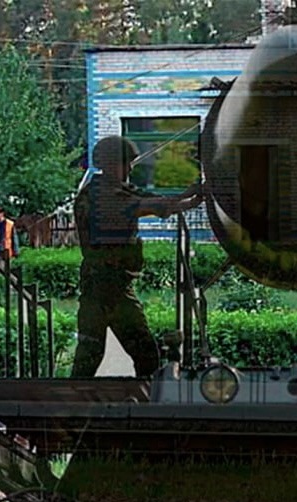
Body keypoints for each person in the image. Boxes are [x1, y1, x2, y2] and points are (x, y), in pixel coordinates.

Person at [71, 136, 202, 378]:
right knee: (138, 354)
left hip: (110, 286)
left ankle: (81, 397)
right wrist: (189, 197)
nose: (130, 169)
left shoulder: (117, 191)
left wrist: (191, 198)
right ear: (110, 163)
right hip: (106, 288)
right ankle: (140, 398)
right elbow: (145, 205)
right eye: (126, 163)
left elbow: (152, 201)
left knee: (94, 356)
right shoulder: (100, 196)